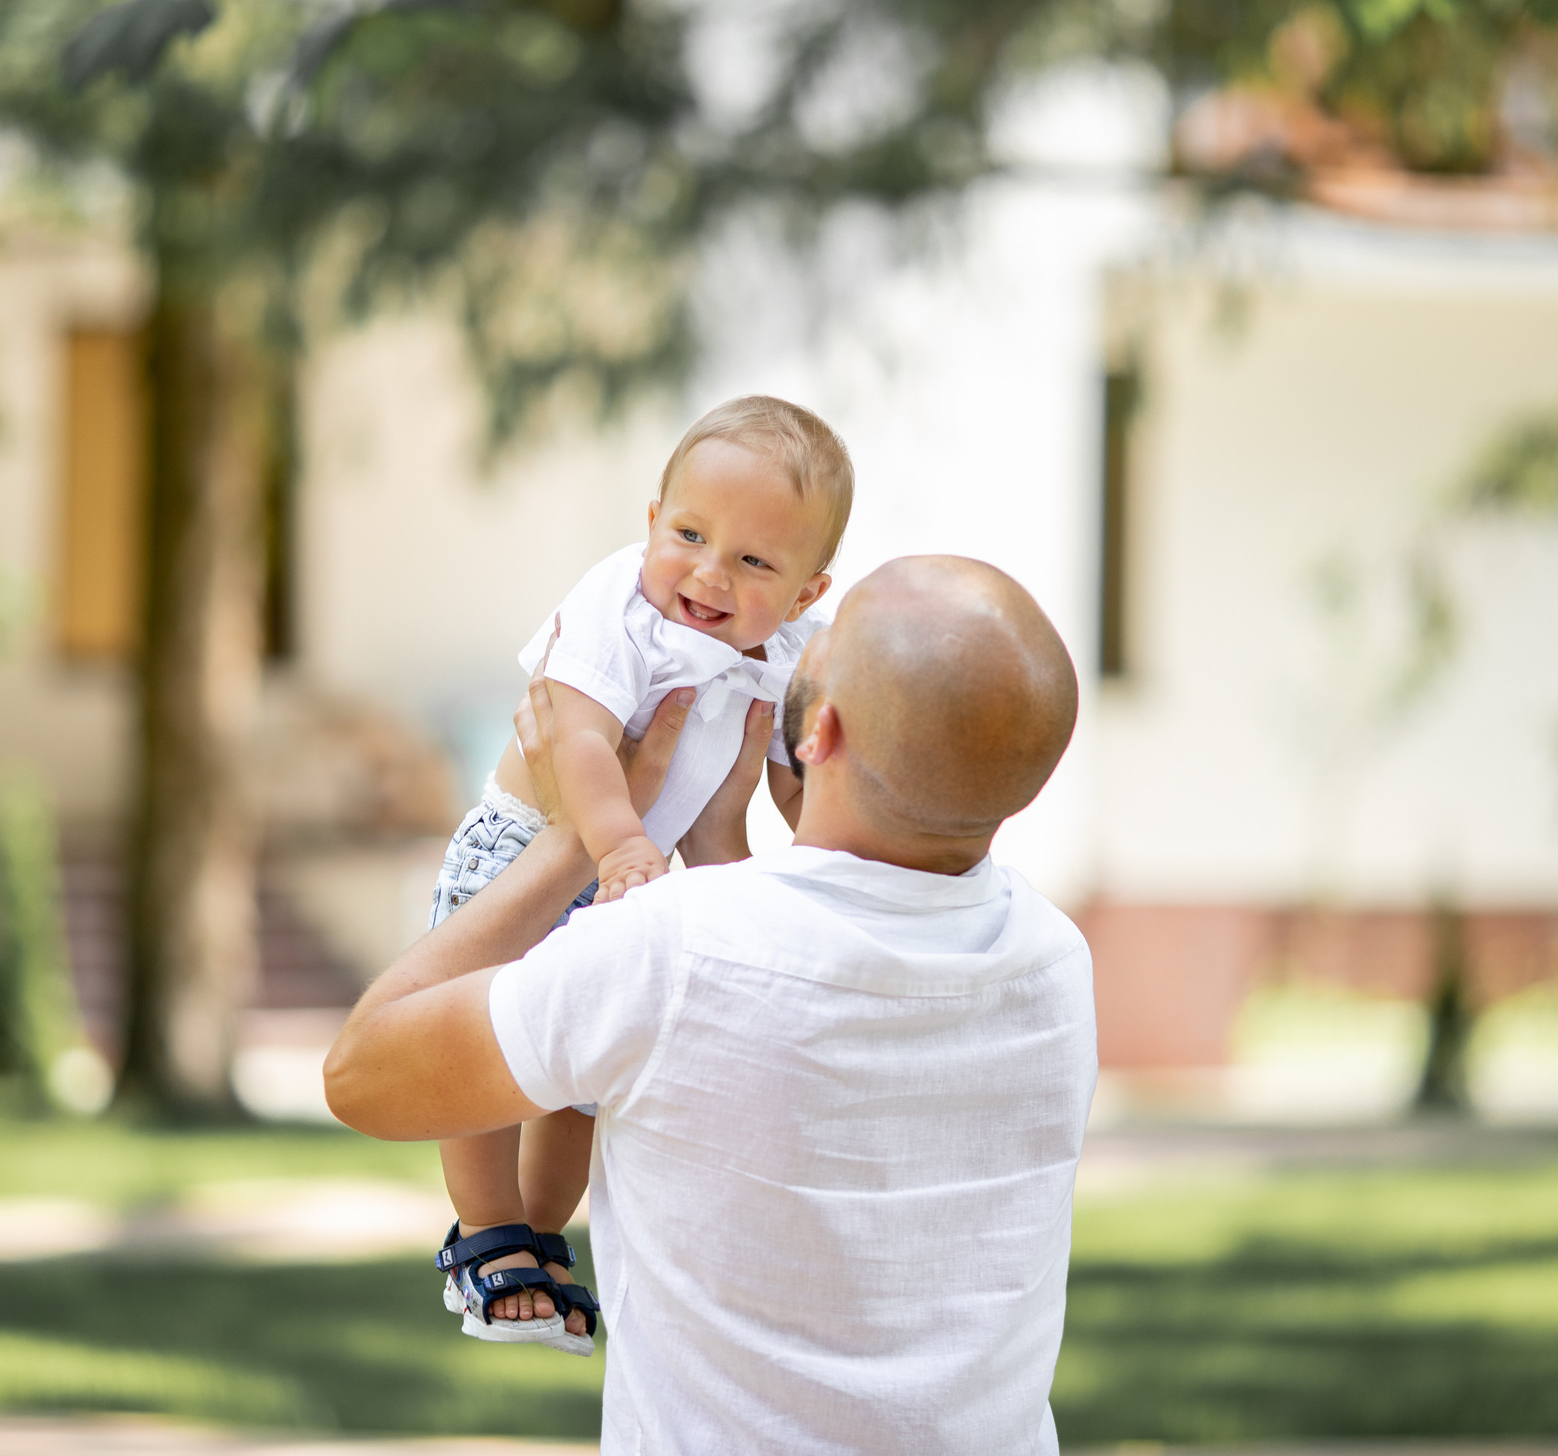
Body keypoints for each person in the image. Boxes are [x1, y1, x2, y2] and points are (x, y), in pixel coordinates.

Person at [325, 555, 1097, 1453]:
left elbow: (365, 1074)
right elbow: (790, 997)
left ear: (822, 731)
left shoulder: (675, 947)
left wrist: (576, 839)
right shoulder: (1052, 964)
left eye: (829, 635)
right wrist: (721, 839)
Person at [425, 395, 855, 1355]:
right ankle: (487, 1225)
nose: (709, 571)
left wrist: (820, 834)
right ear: (651, 522)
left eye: (754, 560)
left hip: (638, 876)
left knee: (585, 1081)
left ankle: (540, 1231)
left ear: (807, 591)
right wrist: (618, 844)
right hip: (530, 847)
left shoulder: (781, 655)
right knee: (482, 1049)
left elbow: (792, 770)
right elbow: (574, 739)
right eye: (691, 533)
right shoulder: (618, 606)